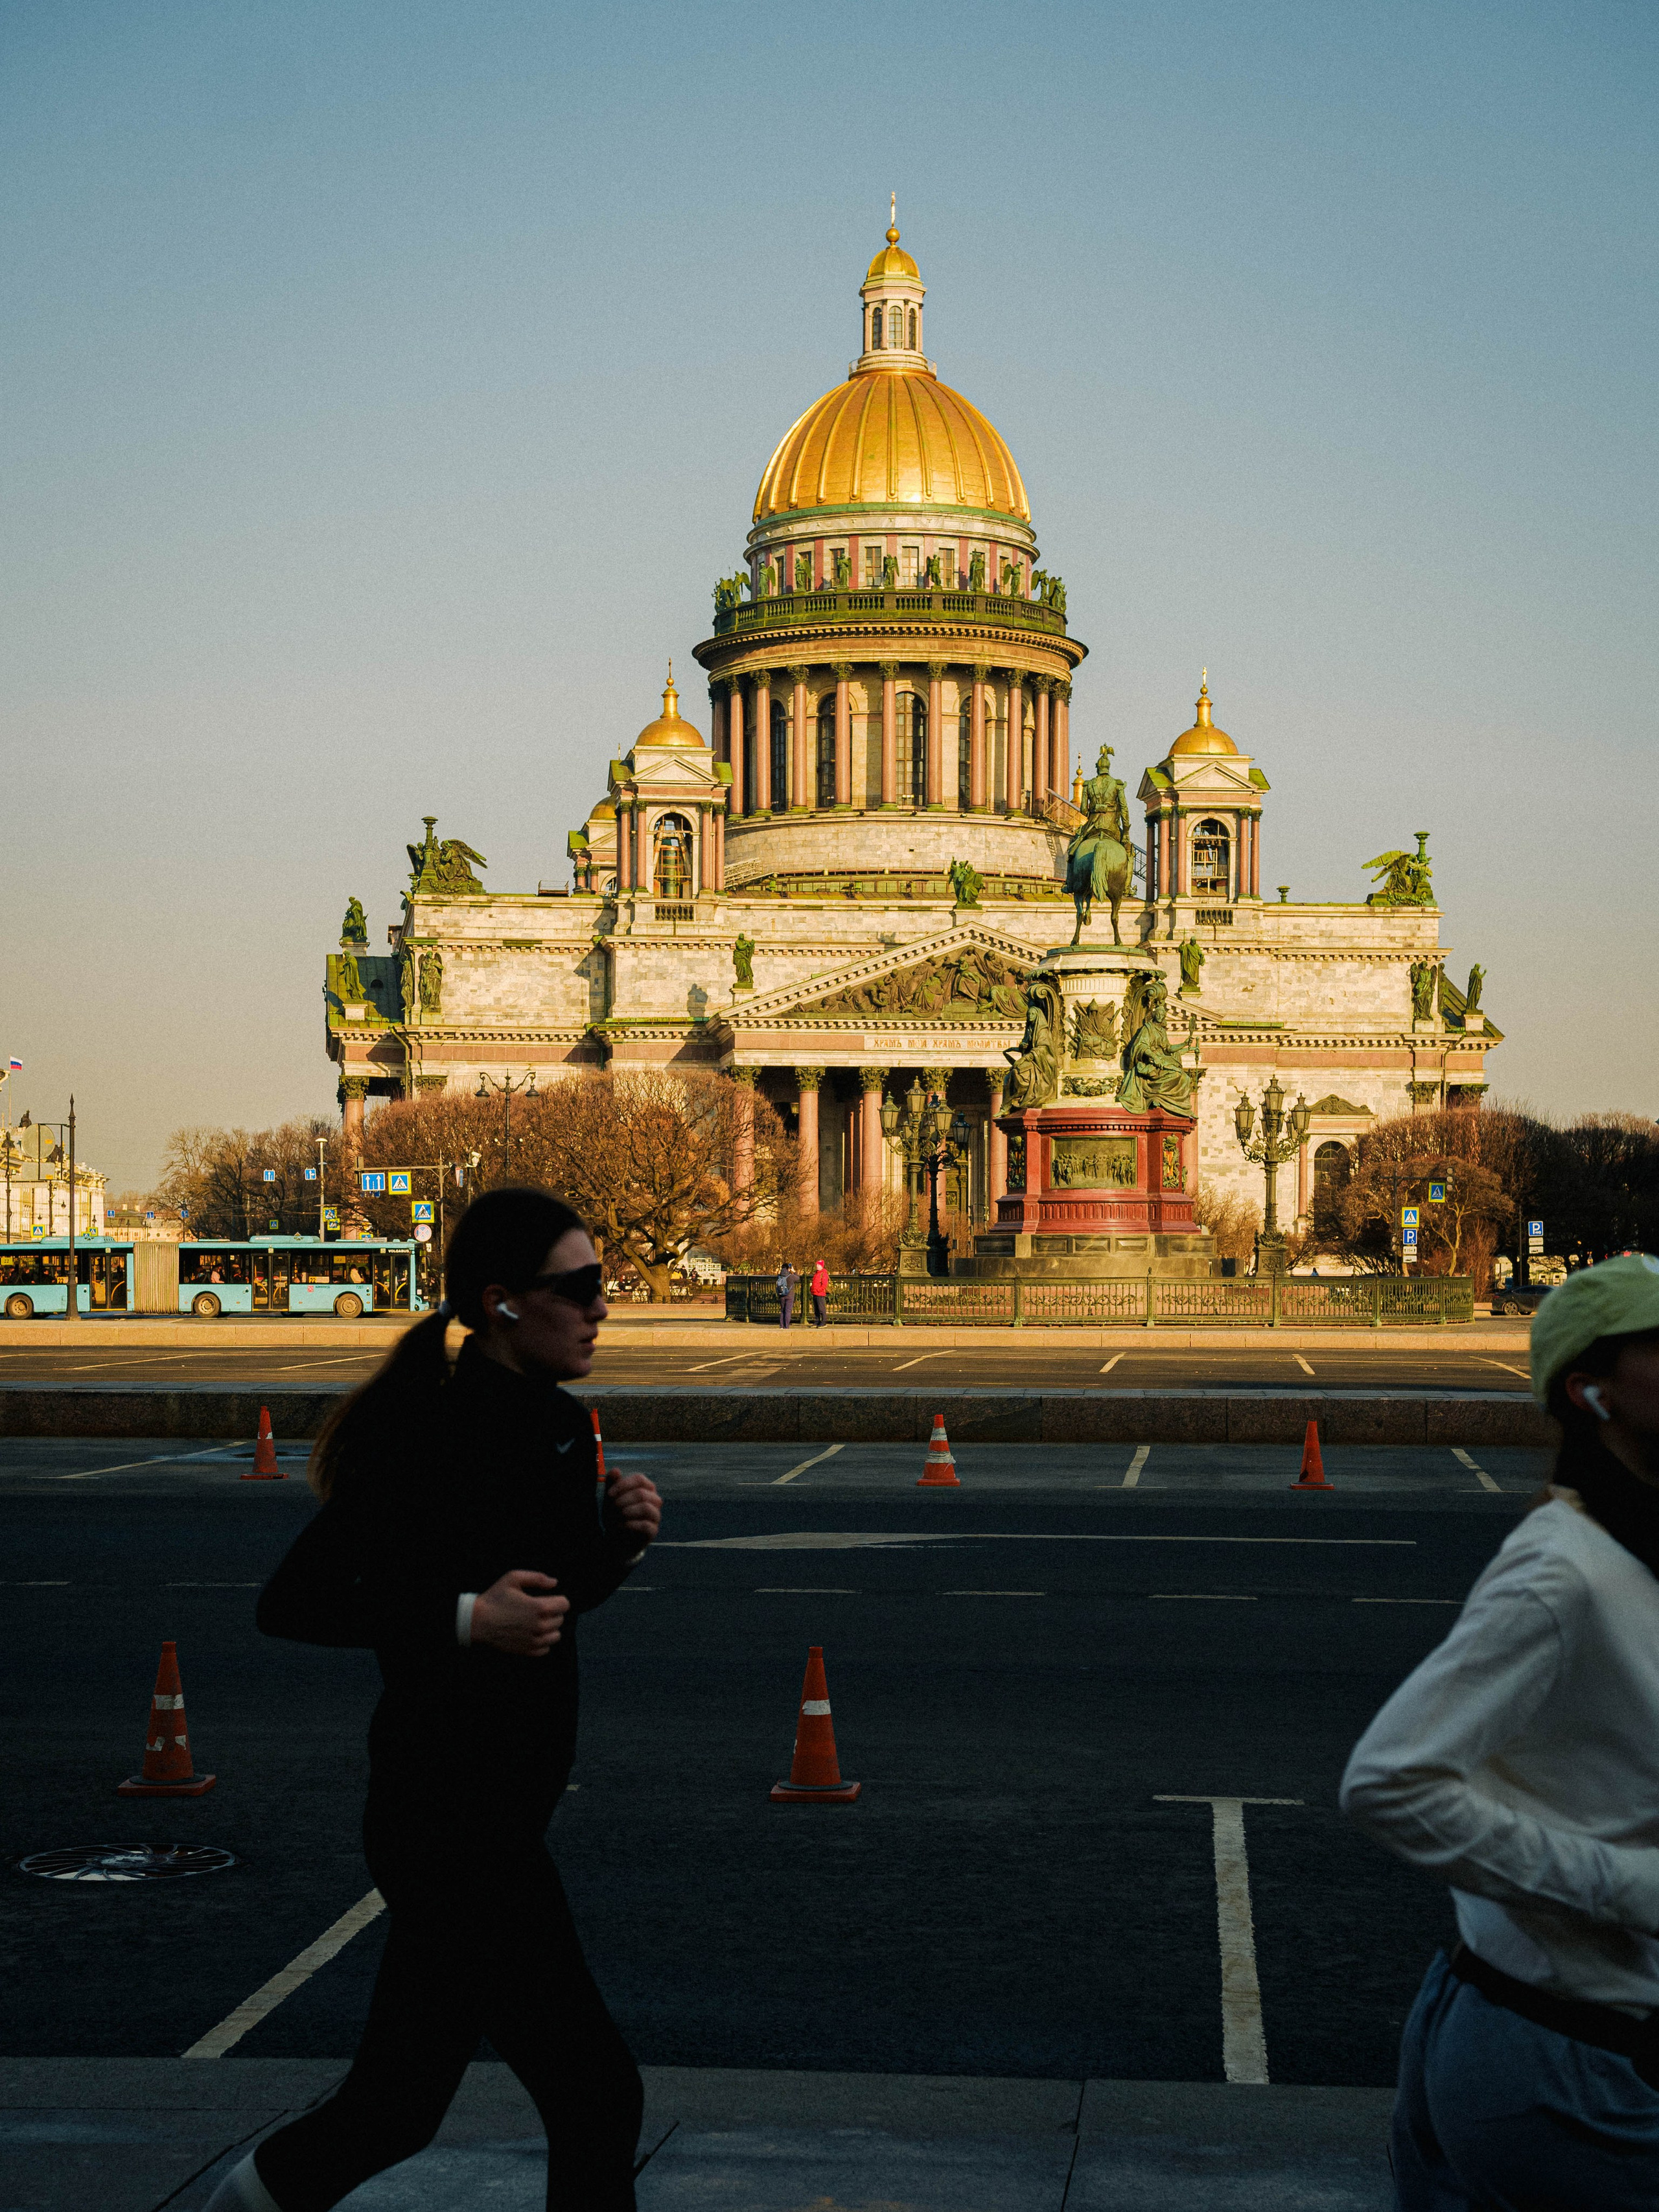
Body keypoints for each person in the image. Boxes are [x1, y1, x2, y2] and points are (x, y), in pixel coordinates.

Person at [206, 1188, 662, 2212]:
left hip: (501, 1815)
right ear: (502, 1302)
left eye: (603, 1286)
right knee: (596, 2095)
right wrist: (465, 1618)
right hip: (448, 1820)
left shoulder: (561, 1427)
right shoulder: (432, 1428)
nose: (602, 1309)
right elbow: (296, 1600)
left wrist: (620, 1546)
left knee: (397, 2108)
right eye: (581, 1287)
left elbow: (548, 1605)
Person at [1340, 1252, 1659, 2209]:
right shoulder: (1562, 1568)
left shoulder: (1628, 1550)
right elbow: (1389, 1782)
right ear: (1592, 1391)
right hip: (1567, 2060)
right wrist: (1626, 1887)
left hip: (1563, 2037)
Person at [777, 1259, 796, 1329]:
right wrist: (794, 1271)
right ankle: (786, 1326)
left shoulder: (779, 1276)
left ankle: (781, 1326)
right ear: (788, 1269)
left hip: (781, 1295)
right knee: (788, 1311)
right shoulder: (791, 1276)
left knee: (782, 1310)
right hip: (790, 1295)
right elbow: (798, 1278)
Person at [809, 1257, 829, 1328]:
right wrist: (812, 1289)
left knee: (821, 1308)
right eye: (817, 1265)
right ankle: (817, 1321)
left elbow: (824, 1285)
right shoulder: (816, 1273)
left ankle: (824, 1322)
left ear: (821, 1266)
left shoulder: (824, 1274)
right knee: (816, 1309)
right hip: (815, 1293)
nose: (817, 1266)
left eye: (818, 1265)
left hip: (820, 1294)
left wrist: (818, 1290)